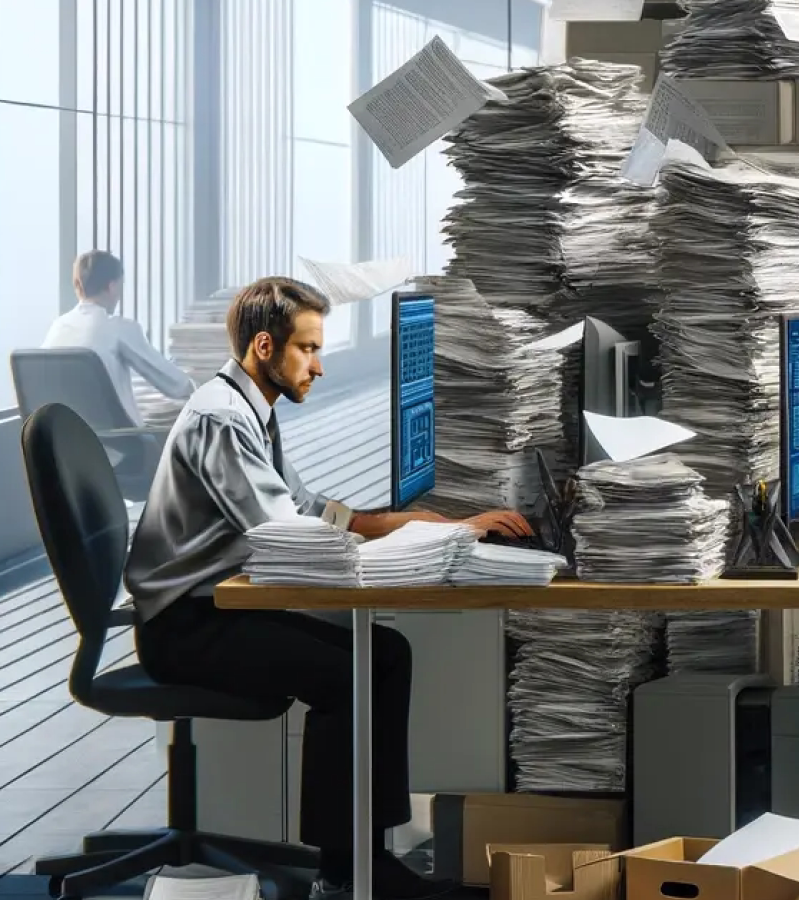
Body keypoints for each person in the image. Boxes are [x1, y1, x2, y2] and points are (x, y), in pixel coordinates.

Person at [123, 276, 532, 900]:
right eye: (308, 349)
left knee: (386, 654)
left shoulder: (251, 405)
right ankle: (344, 876)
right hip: (185, 625)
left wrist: (404, 524)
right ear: (266, 347)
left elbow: (304, 504)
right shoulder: (223, 418)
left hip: (216, 607)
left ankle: (363, 862)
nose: (318, 365)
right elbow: (282, 533)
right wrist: (401, 547)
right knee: (346, 678)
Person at [42, 251, 195, 423]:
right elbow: (175, 384)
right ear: (112, 286)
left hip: (62, 441)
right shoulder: (118, 328)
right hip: (118, 443)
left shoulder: (58, 327)